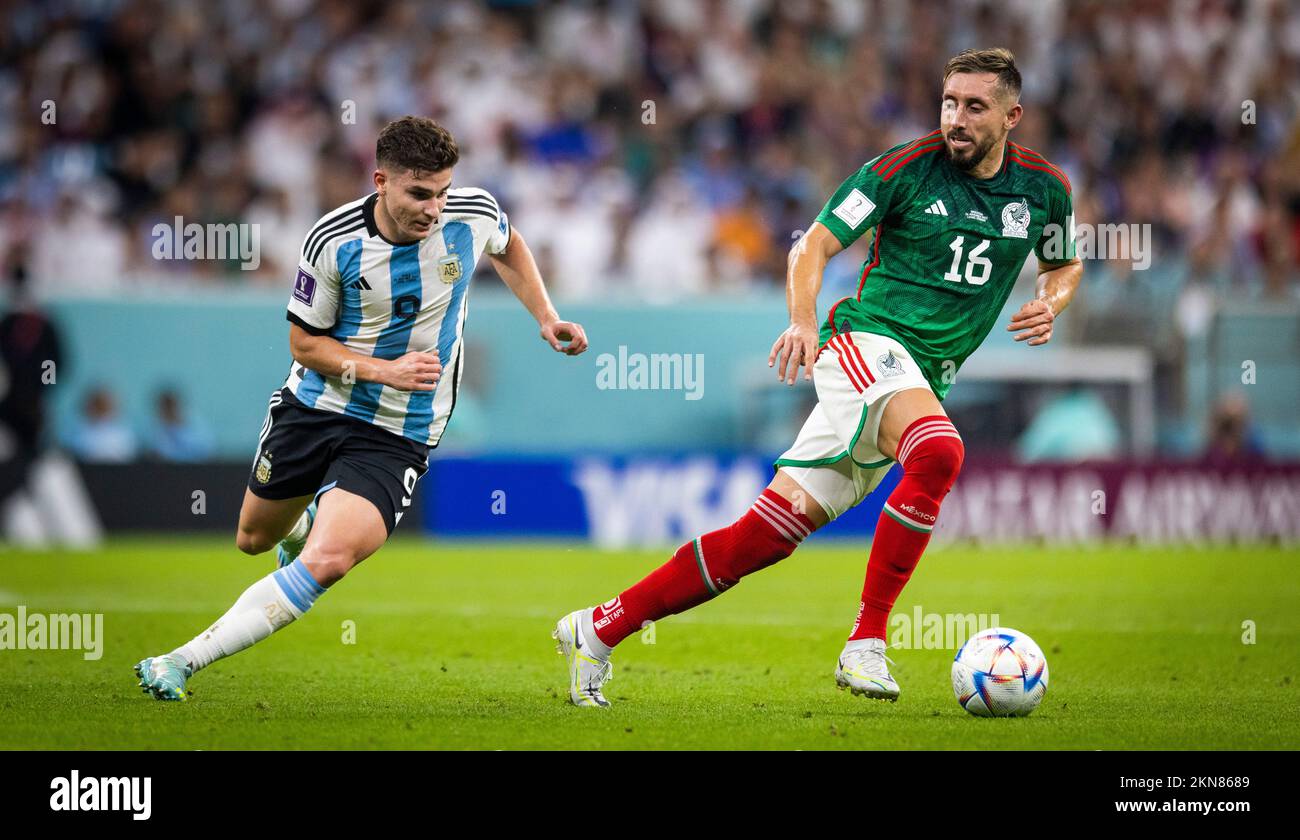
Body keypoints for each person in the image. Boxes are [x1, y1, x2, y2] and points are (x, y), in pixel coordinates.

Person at [554, 48, 1083, 707]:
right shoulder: (901, 170)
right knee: (940, 452)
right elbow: (816, 244)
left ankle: (598, 628)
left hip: (920, 379)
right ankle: (866, 644)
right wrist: (803, 322)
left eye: (975, 106)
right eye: (949, 103)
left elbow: (1063, 262)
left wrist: (1050, 301)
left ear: (1012, 115)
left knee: (762, 540)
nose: (957, 118)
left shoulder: (1044, 188)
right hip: (865, 344)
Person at [135, 116, 588, 701]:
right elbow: (304, 344)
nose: (434, 207)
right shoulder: (332, 242)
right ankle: (297, 526)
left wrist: (547, 318)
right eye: (419, 194)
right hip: (316, 406)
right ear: (381, 181)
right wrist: (384, 370)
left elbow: (508, 244)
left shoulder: (471, 214)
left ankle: (180, 660)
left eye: (442, 192)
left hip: (401, 429)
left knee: (329, 560)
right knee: (252, 539)